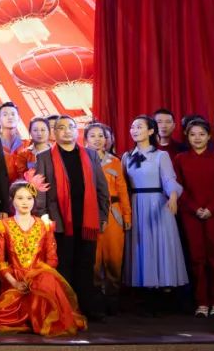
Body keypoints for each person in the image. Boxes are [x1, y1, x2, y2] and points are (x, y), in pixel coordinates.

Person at [0, 172, 86, 336]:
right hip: (14, 280)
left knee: (46, 284)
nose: (25, 202)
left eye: (29, 198)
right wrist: (15, 282)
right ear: (12, 200)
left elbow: (52, 259)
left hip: (40, 278)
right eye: (20, 198)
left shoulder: (44, 225)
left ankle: (41, 320)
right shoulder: (2, 226)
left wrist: (36, 278)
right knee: (5, 318)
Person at [33, 115, 109, 320]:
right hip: (59, 221)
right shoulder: (44, 157)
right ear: (54, 132)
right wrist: (42, 216)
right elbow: (40, 191)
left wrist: (103, 216)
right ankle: (66, 308)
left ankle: (87, 307)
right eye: (61, 127)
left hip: (87, 220)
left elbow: (101, 188)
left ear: (77, 131)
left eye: (71, 127)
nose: (67, 131)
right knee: (64, 265)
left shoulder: (91, 155)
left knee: (86, 264)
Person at [121, 115, 189, 314]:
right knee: (141, 248)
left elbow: (169, 180)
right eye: (132, 127)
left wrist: (173, 196)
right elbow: (123, 186)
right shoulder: (126, 156)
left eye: (139, 127)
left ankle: (164, 297)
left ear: (151, 131)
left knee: (160, 247)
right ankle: (145, 297)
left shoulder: (161, 155)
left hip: (158, 204)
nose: (135, 130)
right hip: (136, 204)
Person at [173, 116, 214, 318]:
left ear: (209, 136)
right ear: (187, 137)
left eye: (201, 134)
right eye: (192, 134)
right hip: (191, 215)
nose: (197, 138)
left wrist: (211, 208)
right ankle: (202, 303)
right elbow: (178, 187)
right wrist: (194, 208)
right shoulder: (180, 159)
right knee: (197, 259)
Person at [85, 121, 130, 311]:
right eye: (93, 135)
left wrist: (127, 216)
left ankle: (112, 299)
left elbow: (122, 190)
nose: (97, 139)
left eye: (101, 136)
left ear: (107, 139)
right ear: (86, 139)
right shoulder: (82, 159)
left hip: (114, 213)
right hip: (90, 213)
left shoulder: (115, 161)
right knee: (93, 260)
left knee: (114, 258)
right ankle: (95, 300)